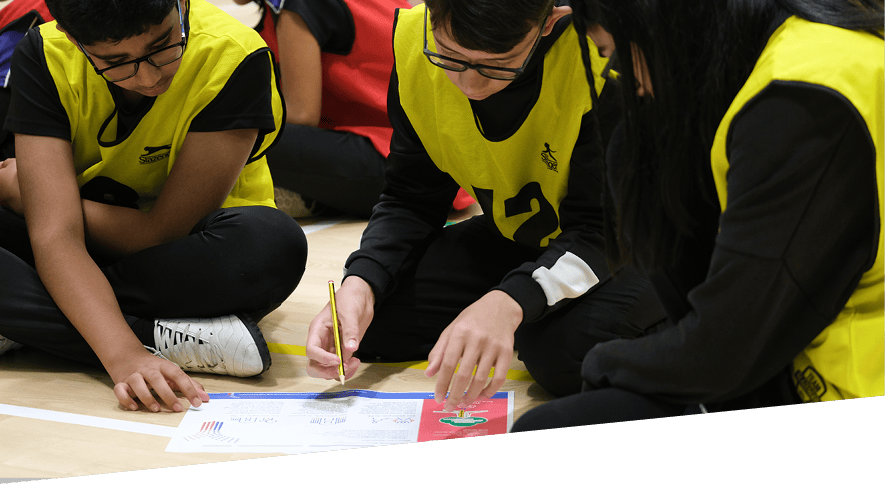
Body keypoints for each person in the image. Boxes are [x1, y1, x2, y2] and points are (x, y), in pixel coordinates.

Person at [512, 0, 884, 431]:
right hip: (787, 350)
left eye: (614, 54)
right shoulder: (795, 44)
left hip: (834, 377)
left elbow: (726, 351)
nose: (629, 85)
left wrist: (605, 365)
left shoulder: (799, 104)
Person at [305, 0, 668, 411]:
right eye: (450, 56)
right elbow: (411, 196)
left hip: (627, 245)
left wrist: (509, 302)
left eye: (498, 65)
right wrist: (361, 283)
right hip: (520, 237)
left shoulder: (598, 57)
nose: (470, 85)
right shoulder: (414, 38)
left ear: (549, 21)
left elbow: (601, 231)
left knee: (563, 356)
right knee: (372, 323)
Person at [0, 0, 308, 413]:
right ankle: (156, 335)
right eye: (116, 62)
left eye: (163, 45)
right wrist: (125, 353)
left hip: (179, 254)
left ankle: (29, 317)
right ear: (75, 41)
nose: (148, 76)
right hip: (70, 251)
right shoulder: (44, 52)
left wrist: (33, 199)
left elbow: (163, 232)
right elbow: (55, 236)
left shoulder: (234, 54)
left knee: (273, 243)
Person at [231, 0, 474, 218]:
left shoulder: (296, 7)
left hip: (405, 163)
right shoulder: (277, 18)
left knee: (234, 131)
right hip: (442, 159)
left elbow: (302, 115)